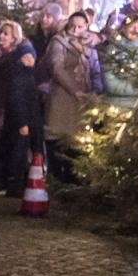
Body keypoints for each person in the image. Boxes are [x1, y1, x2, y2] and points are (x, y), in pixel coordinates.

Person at [0, 20, 43, 196]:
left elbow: (19, 92)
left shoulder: (19, 62)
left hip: (21, 110)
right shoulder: (4, 58)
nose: (1, 36)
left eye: (6, 33)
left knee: (20, 146)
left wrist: (22, 120)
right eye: (1, 32)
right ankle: (12, 182)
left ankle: (17, 183)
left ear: (15, 37)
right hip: (11, 108)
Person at [43, 11, 92, 182]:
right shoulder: (59, 42)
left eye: (80, 26)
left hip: (79, 100)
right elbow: (57, 68)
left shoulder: (86, 46)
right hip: (62, 96)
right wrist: (74, 89)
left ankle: (72, 178)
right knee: (57, 137)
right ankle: (56, 177)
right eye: (73, 25)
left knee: (74, 140)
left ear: (86, 27)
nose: (75, 29)